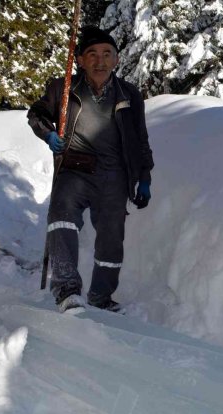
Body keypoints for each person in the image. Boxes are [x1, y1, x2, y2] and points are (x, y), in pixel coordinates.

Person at [27, 26, 154, 312]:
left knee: (111, 240)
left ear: (117, 60)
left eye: (107, 54)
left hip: (114, 175)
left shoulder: (130, 95)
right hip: (75, 168)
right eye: (92, 54)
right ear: (81, 60)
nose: (100, 61)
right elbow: (36, 114)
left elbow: (140, 140)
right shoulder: (63, 89)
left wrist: (144, 177)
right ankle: (67, 291)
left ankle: (101, 297)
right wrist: (48, 133)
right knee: (62, 220)